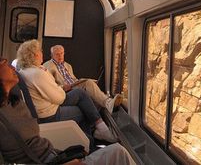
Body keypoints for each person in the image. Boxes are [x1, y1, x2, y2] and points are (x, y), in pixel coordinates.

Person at [0, 58, 136, 164]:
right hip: (51, 112)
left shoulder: (14, 102)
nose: (12, 67)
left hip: (55, 156)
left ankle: (96, 133)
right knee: (84, 104)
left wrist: (63, 157)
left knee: (86, 93)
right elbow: (58, 97)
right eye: (5, 64)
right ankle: (97, 133)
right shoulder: (40, 72)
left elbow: (36, 146)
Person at [16, 40, 116, 142]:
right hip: (49, 113)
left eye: (62, 53)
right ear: (34, 55)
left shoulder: (27, 70)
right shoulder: (38, 73)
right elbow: (59, 98)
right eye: (40, 51)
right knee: (86, 107)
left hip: (49, 103)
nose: (42, 53)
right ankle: (92, 138)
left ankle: (93, 136)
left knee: (83, 92)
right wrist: (61, 88)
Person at [44, 45, 122, 113]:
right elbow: (49, 86)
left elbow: (73, 79)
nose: (60, 56)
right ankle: (108, 103)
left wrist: (80, 81)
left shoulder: (68, 66)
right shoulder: (47, 66)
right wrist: (63, 87)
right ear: (51, 55)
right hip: (64, 91)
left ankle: (94, 126)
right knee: (88, 83)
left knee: (93, 92)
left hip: (73, 87)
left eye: (61, 53)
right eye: (57, 54)